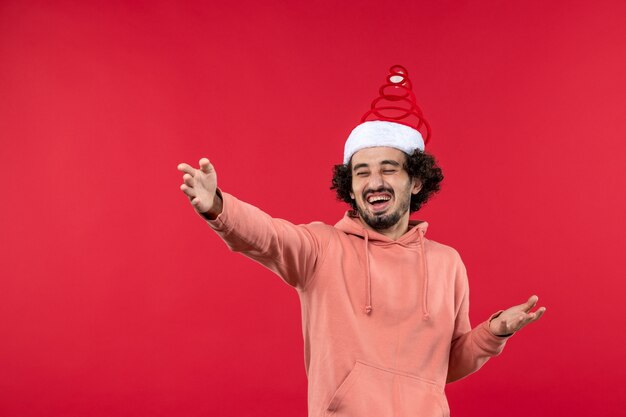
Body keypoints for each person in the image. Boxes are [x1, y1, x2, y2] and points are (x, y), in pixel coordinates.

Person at [177, 67, 545, 417]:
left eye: (388, 169)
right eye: (362, 172)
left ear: (415, 182)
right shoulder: (321, 249)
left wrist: (493, 333)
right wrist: (218, 206)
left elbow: (447, 365)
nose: (374, 182)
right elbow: (268, 236)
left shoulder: (448, 263)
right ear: (350, 188)